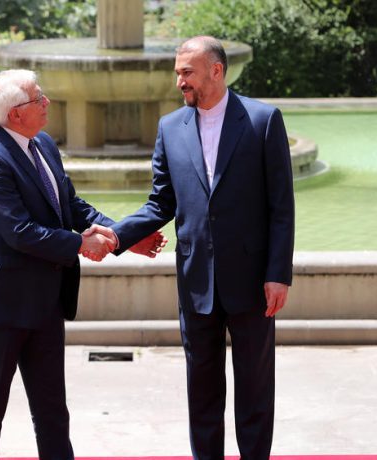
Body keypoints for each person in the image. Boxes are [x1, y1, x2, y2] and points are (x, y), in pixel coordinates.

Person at [101, 36, 295, 459]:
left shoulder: (263, 120)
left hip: (253, 283)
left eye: (186, 72)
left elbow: (282, 207)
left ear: (216, 70)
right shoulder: (170, 128)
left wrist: (278, 274)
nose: (179, 82)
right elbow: (160, 203)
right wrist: (117, 236)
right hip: (195, 283)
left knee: (255, 389)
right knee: (202, 391)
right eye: (177, 73)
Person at [0, 69, 164, 460]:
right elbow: (19, 231)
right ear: (15, 114)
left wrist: (121, 235)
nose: (47, 102)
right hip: (2, 305)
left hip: (45, 302)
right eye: (39, 98)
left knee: (53, 411)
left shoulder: (44, 145)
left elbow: (70, 206)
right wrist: (80, 245)